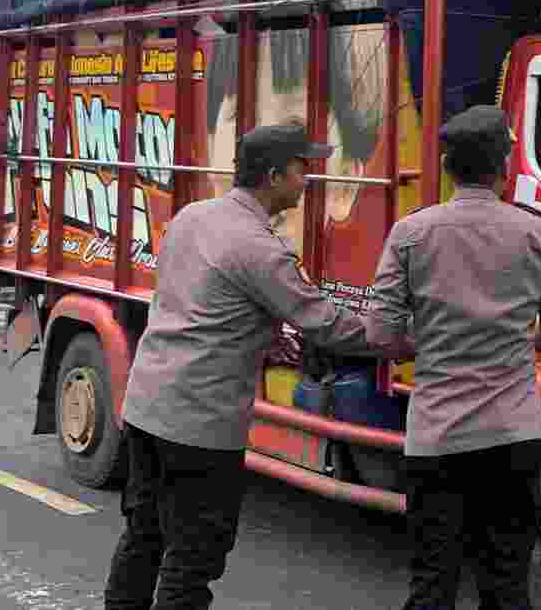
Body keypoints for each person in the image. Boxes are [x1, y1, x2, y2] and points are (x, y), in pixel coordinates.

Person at [104, 122, 373, 610]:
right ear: (273, 176)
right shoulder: (260, 248)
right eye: (301, 169)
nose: (307, 179)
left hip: (146, 406)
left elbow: (197, 300)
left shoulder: (191, 217)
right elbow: (328, 325)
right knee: (193, 557)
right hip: (199, 424)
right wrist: (406, 339)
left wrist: (260, 337)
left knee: (144, 534)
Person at [366, 105, 541, 610]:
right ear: (504, 166)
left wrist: (435, 340)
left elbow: (381, 335)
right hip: (513, 435)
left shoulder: (412, 234)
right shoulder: (539, 235)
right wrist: (508, 339)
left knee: (433, 581)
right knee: (505, 584)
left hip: (437, 438)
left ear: (445, 166)